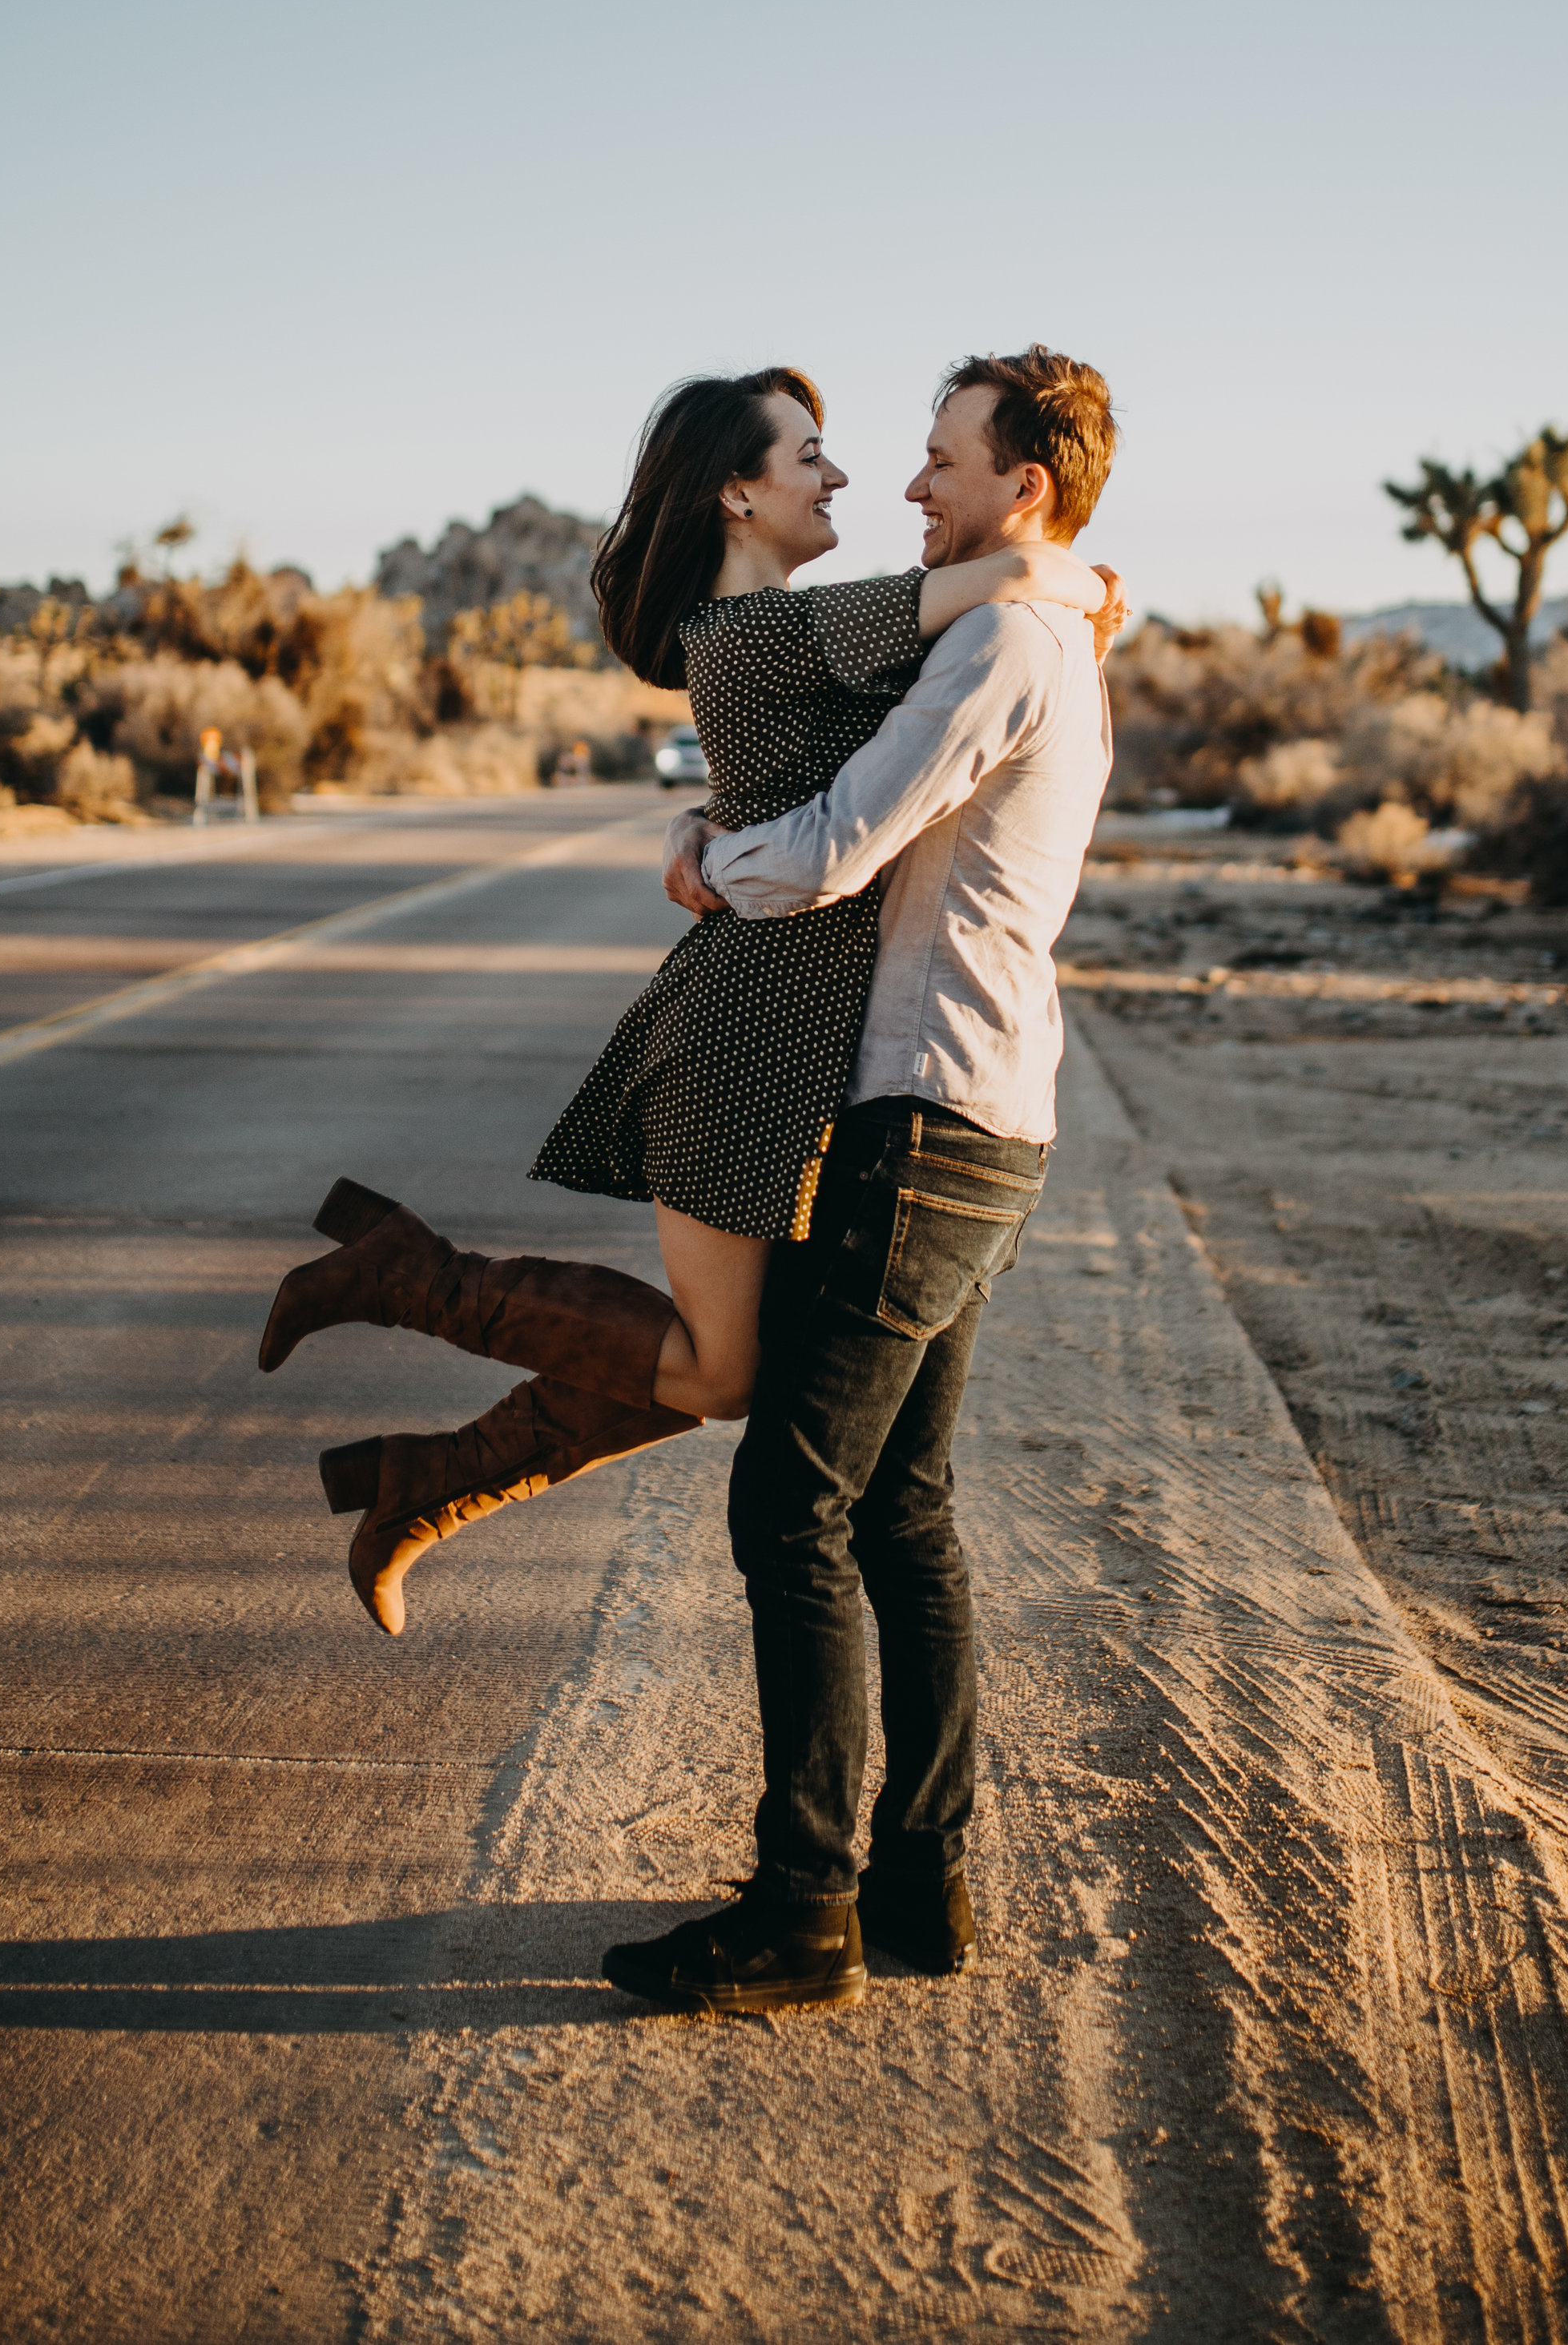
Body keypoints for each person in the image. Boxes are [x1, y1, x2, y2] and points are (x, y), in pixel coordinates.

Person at [255, 365, 1112, 1640]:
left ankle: (421, 1480)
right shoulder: (768, 629)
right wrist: (1088, 584)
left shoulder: (811, 623)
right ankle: (410, 1291)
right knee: (721, 1373)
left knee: (734, 1372)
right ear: (736, 491)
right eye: (808, 455)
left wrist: (707, 824)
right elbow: (1015, 585)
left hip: (791, 1040)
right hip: (744, 1033)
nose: (842, 478)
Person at [598, 349, 1120, 2017]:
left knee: (789, 1506)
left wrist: (700, 865)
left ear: (1016, 486)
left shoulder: (1003, 645)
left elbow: (831, 844)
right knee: (899, 1510)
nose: (908, 486)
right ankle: (920, 1882)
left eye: (938, 458)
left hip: (924, 1124)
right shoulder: (1025, 624)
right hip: (990, 1117)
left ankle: (802, 1907)